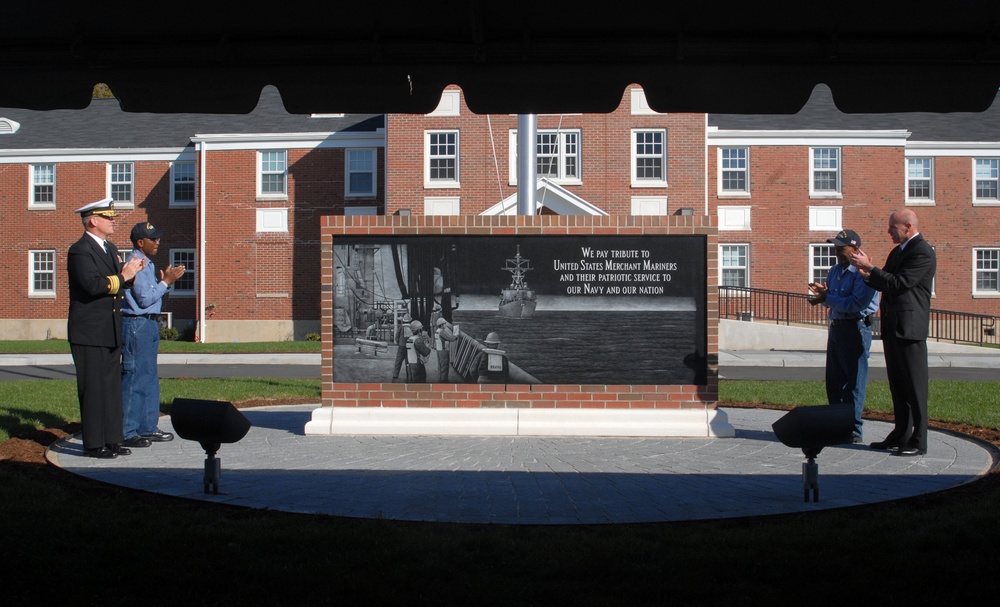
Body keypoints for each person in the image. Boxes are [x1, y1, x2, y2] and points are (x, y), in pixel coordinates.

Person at [850, 209, 936, 456]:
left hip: (910, 328)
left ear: (908, 227)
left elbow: (900, 284)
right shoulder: (898, 251)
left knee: (915, 388)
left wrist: (871, 267)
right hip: (893, 327)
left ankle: (919, 441)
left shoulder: (922, 251)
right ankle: (901, 434)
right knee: (898, 387)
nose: (888, 231)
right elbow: (885, 281)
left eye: (892, 227)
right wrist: (866, 273)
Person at [67, 198, 145, 459]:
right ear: (93, 221)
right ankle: (93, 444)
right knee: (93, 389)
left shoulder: (109, 248)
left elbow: (120, 283)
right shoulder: (80, 250)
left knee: (111, 389)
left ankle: (112, 439)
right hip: (89, 331)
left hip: (110, 329)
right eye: (108, 217)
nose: (113, 221)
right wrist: (123, 276)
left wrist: (131, 273)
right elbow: (92, 285)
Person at [808, 229, 880, 443]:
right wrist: (824, 295)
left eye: (842, 247)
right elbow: (834, 299)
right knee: (834, 381)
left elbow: (856, 304)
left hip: (856, 328)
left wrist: (827, 299)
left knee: (854, 382)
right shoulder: (834, 271)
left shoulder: (863, 273)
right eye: (835, 247)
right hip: (837, 328)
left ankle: (853, 430)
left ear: (855, 248)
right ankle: (836, 426)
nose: (837, 251)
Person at [121, 221, 187, 447]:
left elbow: (151, 296)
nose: (158, 242)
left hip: (148, 323)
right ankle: (127, 431)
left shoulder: (146, 263)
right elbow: (144, 299)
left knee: (149, 377)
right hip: (136, 324)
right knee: (135, 377)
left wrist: (163, 283)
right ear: (140, 242)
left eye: (158, 238)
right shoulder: (136, 263)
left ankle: (147, 427)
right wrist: (166, 282)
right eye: (153, 239)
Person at [433, 317, 460, 382]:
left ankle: (440, 380)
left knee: (440, 366)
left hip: (438, 350)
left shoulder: (437, 331)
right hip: (444, 351)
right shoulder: (442, 332)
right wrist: (456, 336)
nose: (445, 325)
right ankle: (444, 381)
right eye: (444, 324)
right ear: (441, 325)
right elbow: (451, 339)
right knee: (444, 367)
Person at [391, 313, 413, 381]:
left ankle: (395, 375)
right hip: (409, 347)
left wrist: (399, 342)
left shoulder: (401, 327)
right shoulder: (412, 327)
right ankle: (409, 376)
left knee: (398, 361)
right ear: (410, 321)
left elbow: (396, 337)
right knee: (408, 362)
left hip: (401, 346)